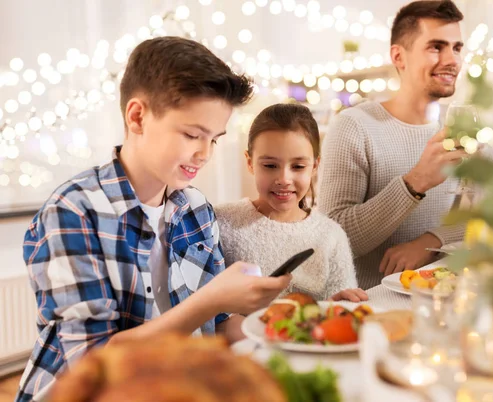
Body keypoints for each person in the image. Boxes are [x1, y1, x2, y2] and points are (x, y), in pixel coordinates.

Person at [17, 37, 291, 401]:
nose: (204, 153)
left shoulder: (195, 209)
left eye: (214, 139)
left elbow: (220, 325)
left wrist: (291, 330)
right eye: (193, 134)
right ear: (137, 116)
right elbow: (93, 365)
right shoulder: (73, 213)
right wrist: (210, 299)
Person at [319, 0, 468, 289]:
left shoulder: (461, 128)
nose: (452, 60)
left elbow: (492, 217)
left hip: (443, 299)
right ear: (399, 57)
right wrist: (415, 183)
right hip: (370, 307)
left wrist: (432, 240)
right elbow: (332, 238)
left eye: (457, 47)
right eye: (436, 47)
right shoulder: (354, 126)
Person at [215, 103, 367, 302]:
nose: (284, 179)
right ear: (250, 162)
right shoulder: (221, 223)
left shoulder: (330, 236)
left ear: (315, 166)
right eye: (270, 165)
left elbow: (340, 308)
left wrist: (337, 304)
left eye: (298, 166)